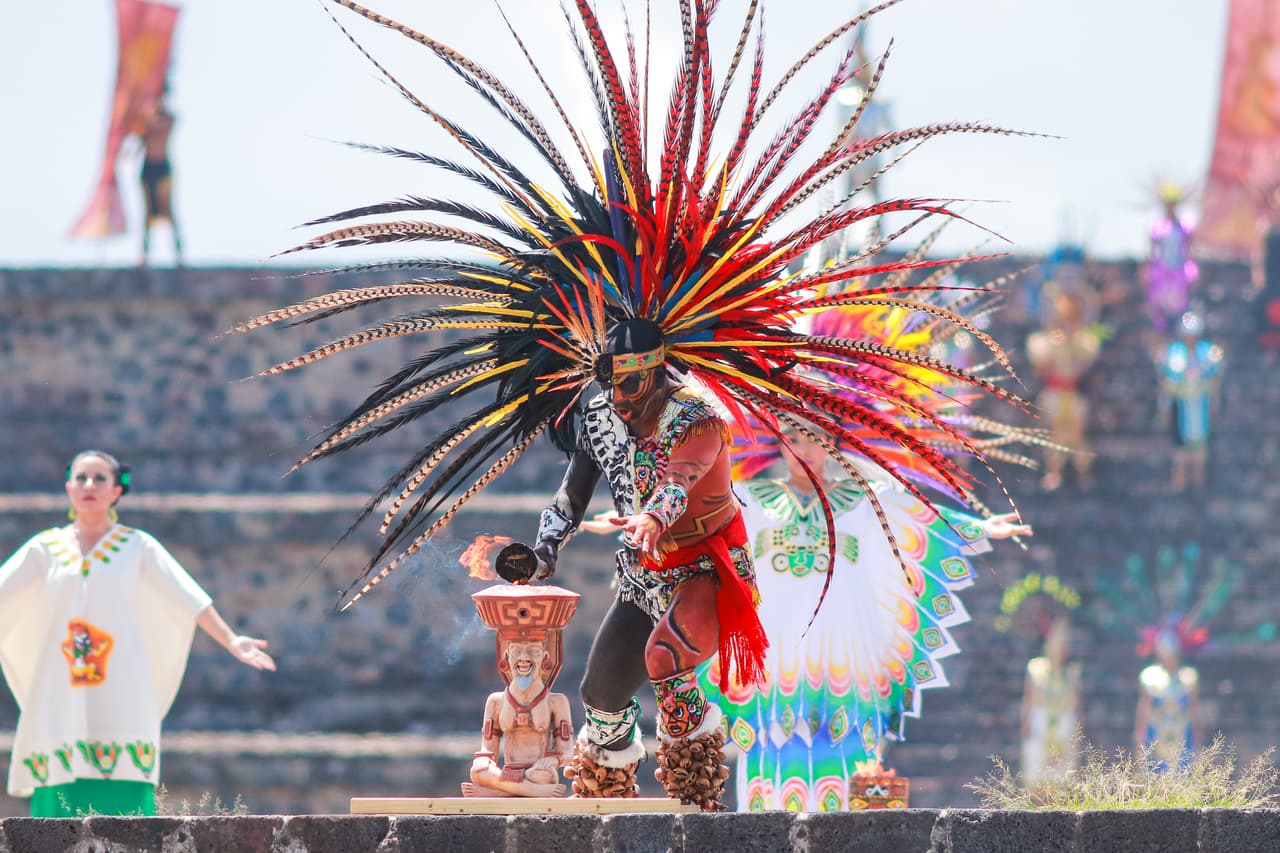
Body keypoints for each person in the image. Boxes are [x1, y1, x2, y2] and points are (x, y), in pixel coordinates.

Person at [695, 428, 1030, 812]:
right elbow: (700, 521)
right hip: (775, 651)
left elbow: (920, 523)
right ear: (779, 445)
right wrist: (650, 520)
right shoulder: (749, 500)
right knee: (771, 740)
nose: (803, 450)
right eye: (793, 438)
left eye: (812, 438)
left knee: (847, 745)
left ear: (830, 445)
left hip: (843, 650)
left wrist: (982, 528)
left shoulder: (864, 499)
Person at [528, 319, 762, 811]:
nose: (619, 399)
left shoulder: (699, 418)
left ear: (657, 373)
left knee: (665, 660)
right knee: (600, 697)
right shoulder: (599, 416)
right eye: (610, 385)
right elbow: (571, 496)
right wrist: (545, 547)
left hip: (707, 569)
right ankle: (604, 809)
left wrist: (651, 519)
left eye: (630, 384)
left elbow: (678, 482)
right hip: (645, 574)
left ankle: (697, 806)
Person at [0, 451, 275, 817]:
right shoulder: (45, 549)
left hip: (121, 690)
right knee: (58, 811)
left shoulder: (137, 547)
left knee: (126, 813)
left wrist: (231, 639)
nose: (89, 486)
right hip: (60, 690)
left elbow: (187, 597)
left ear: (116, 491)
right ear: (68, 487)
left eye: (99, 479)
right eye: (81, 478)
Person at [467, 637, 573, 798]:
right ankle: (533, 792)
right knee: (478, 771)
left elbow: (567, 752)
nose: (524, 658)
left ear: (545, 657)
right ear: (507, 656)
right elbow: (488, 749)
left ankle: (499, 791)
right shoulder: (496, 701)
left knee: (544, 775)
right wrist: (484, 761)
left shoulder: (556, 701)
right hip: (514, 773)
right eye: (517, 652)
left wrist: (554, 761)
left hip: (538, 772)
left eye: (534, 652)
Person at [1026, 290, 1102, 491]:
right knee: (1054, 433)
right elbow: (1041, 368)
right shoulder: (1043, 342)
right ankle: (1054, 471)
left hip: (1074, 393)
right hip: (1054, 392)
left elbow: (1084, 365)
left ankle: (1082, 471)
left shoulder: (1084, 342)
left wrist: (1071, 343)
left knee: (1078, 433)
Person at [1159, 312, 1224, 491]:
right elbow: (1167, 384)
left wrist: (1214, 404)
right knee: (1179, 441)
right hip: (1181, 403)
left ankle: (1198, 478)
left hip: (1201, 403)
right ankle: (1179, 478)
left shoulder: (1208, 353)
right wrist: (1164, 406)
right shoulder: (1173, 353)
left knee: (1202, 442)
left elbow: (1214, 383)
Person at [1020, 616, 1082, 786]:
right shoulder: (1036, 668)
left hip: (1063, 723)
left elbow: (1076, 704)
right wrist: (1026, 725)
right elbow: (1028, 700)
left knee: (1061, 778)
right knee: (1037, 776)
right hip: (1040, 723)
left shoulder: (1071, 672)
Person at [1134, 630, 1201, 773]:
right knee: (1157, 770)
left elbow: (1194, 708)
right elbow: (1144, 708)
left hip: (1182, 731)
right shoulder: (1150, 677)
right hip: (1157, 732)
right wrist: (1139, 735)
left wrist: (1197, 735)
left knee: (1182, 769)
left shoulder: (1187, 677)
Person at [1144, 187, 1198, 336]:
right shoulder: (1157, 227)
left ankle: (1180, 333)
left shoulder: (1185, 226)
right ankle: (1161, 334)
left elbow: (1189, 250)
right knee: (1159, 305)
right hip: (1161, 272)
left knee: (1180, 304)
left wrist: (1192, 270)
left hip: (1179, 272)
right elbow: (1152, 251)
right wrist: (1148, 271)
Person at [139, 105, 183, 267]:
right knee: (147, 213)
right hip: (148, 168)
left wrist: (146, 119)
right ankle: (145, 255)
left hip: (162, 167)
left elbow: (160, 126)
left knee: (168, 210)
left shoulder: (168, 118)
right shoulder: (144, 122)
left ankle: (178, 254)